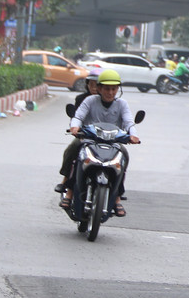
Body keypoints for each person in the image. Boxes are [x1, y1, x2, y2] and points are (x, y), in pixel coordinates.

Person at [61, 69, 140, 217]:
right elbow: (78, 116)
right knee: (76, 152)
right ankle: (69, 192)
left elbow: (129, 122)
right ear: (99, 88)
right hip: (89, 140)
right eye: (106, 89)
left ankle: (116, 197)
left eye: (113, 89)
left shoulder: (122, 104)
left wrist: (133, 135)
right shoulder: (89, 101)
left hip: (113, 142)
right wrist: (75, 126)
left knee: (124, 157)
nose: (110, 92)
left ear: (118, 89)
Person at [55, 75, 101, 196]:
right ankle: (66, 181)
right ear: (87, 85)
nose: (94, 88)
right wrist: (75, 128)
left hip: (106, 138)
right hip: (86, 136)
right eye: (91, 84)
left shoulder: (111, 101)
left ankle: (116, 192)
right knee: (72, 150)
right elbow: (77, 117)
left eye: (98, 85)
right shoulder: (82, 99)